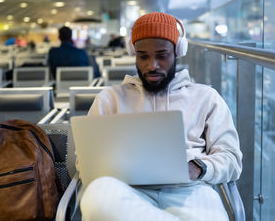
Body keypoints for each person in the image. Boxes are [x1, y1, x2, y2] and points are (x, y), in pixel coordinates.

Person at [79, 12, 242, 220]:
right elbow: (85, 162)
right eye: (143, 56)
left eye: (162, 55)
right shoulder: (110, 99)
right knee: (97, 196)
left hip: (190, 191)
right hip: (127, 192)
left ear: (177, 52)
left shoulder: (206, 98)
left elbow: (232, 158)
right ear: (134, 53)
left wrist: (197, 168)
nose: (152, 65)